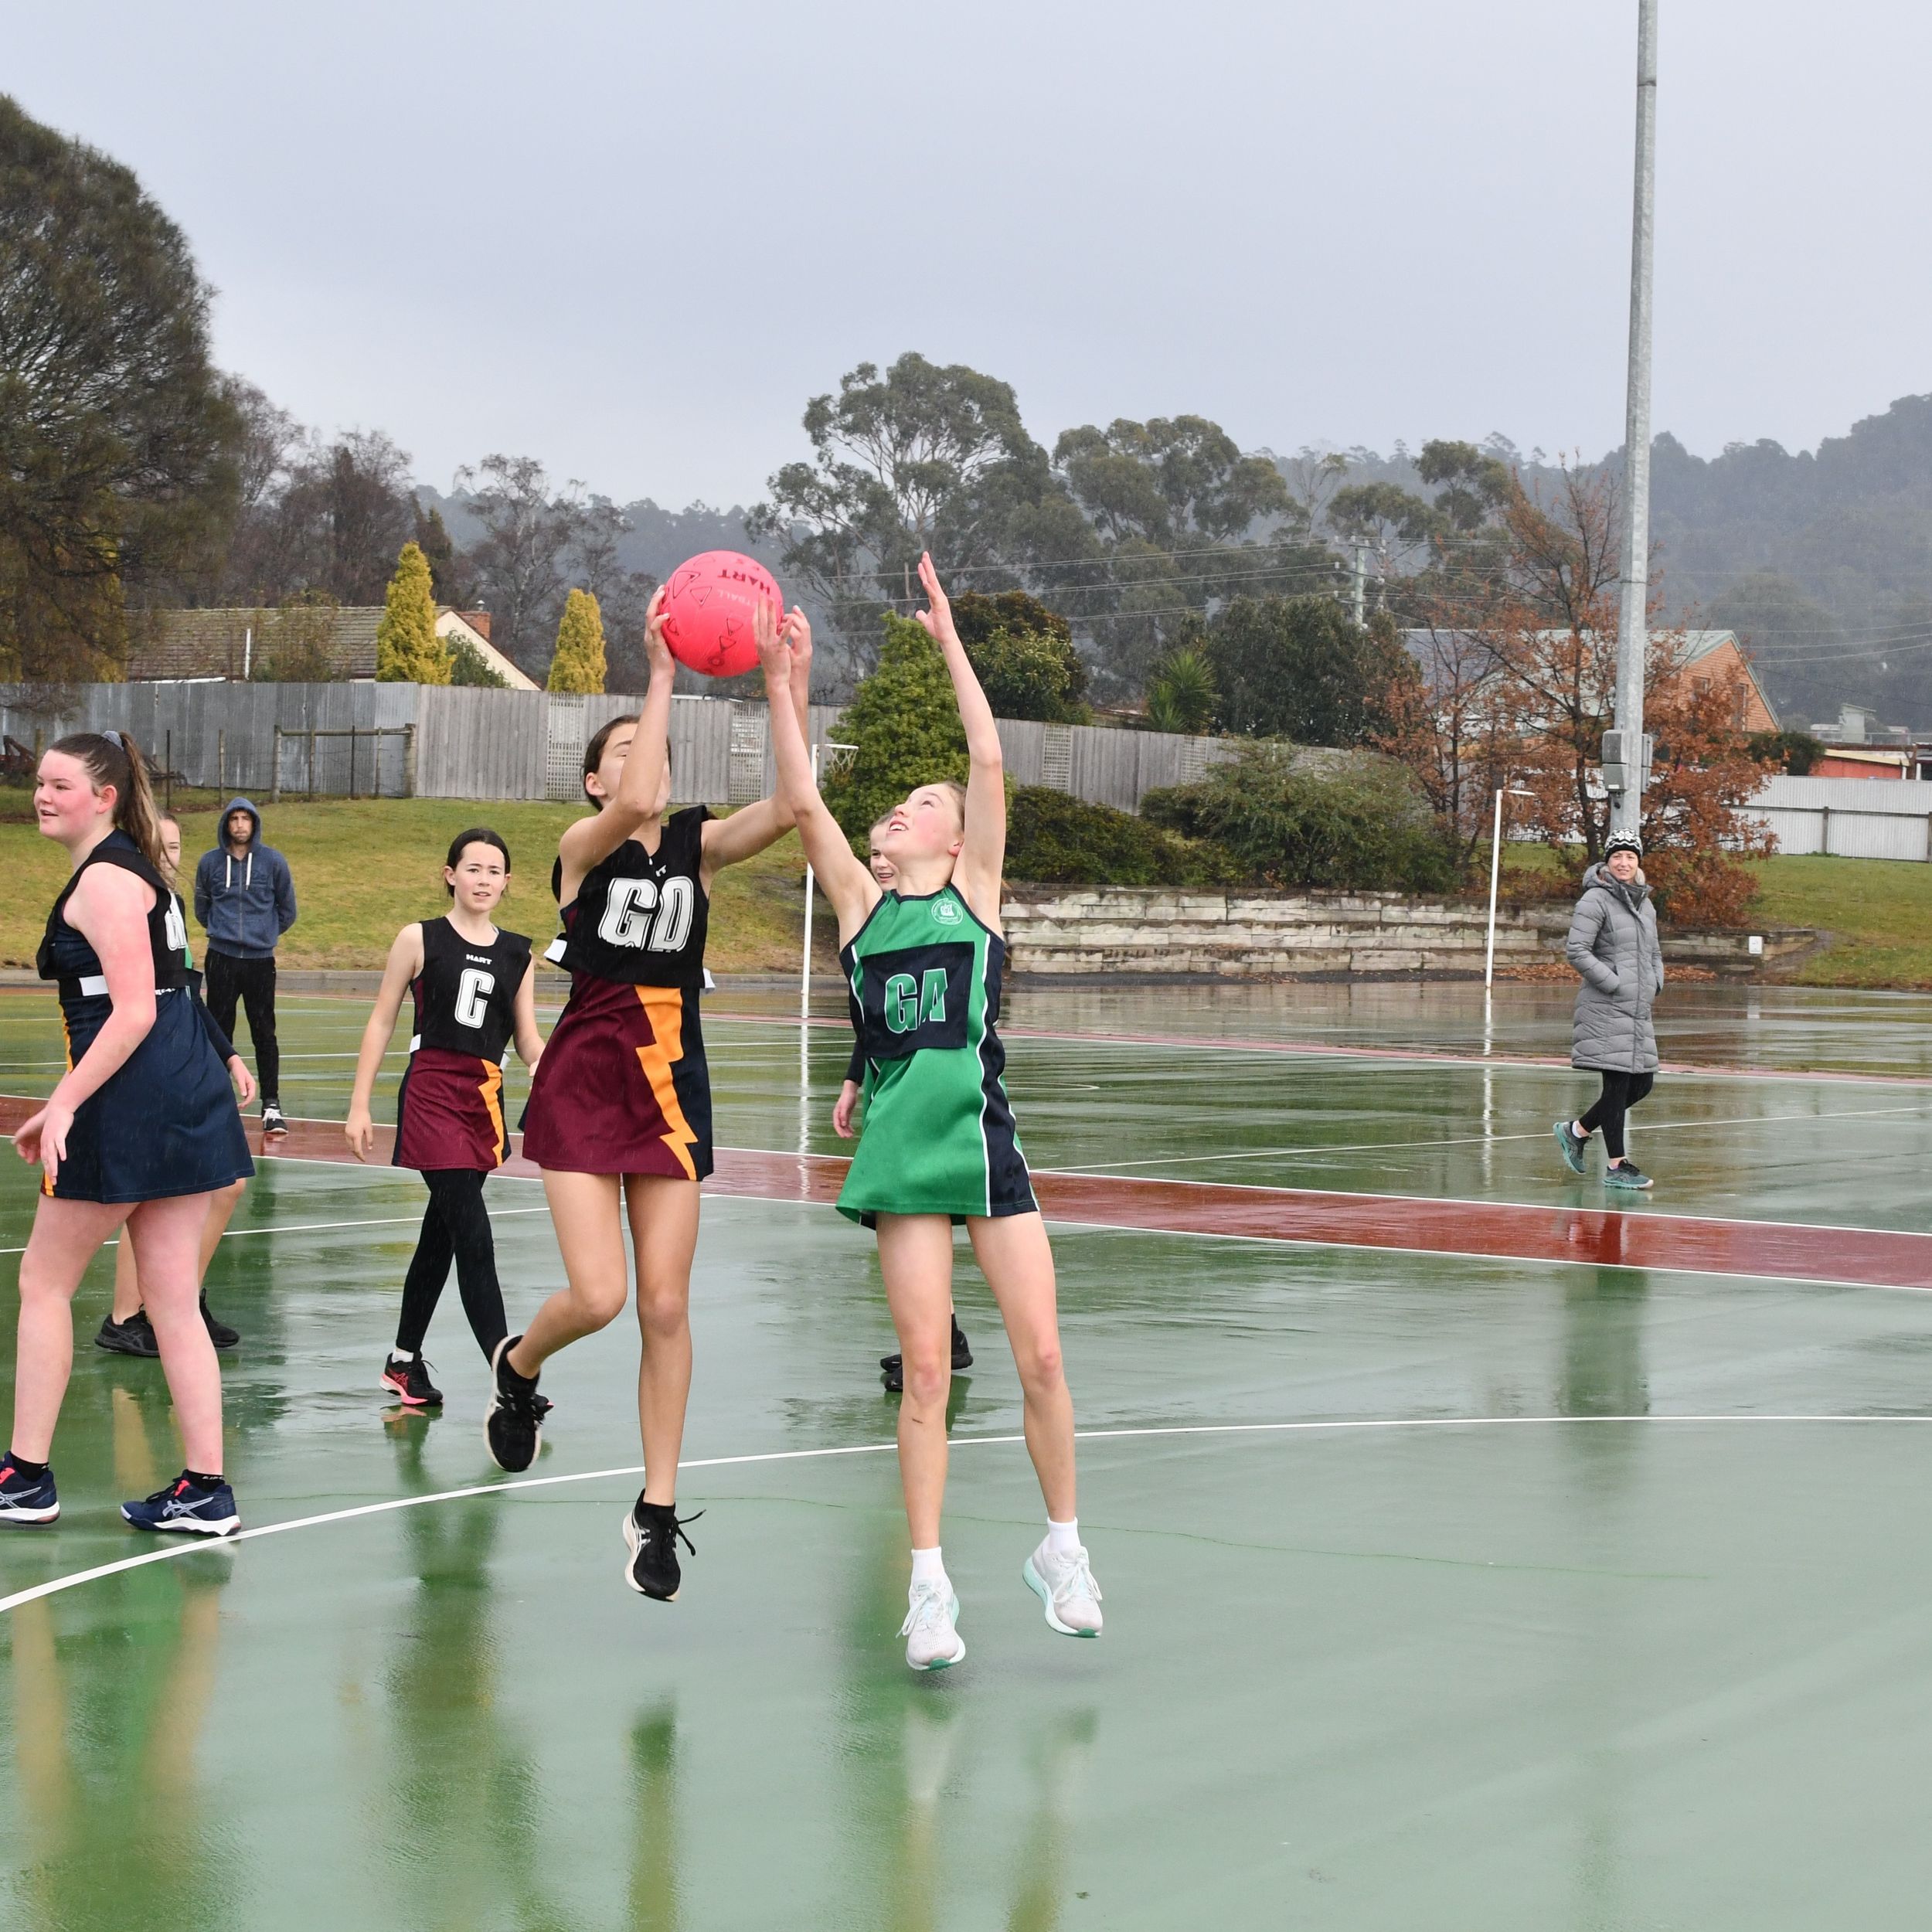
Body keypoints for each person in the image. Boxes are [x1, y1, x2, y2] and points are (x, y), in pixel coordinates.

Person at [760, 552, 1102, 1672]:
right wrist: (782, 684)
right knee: (923, 1374)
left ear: (956, 840)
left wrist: (951, 636)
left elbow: (987, 755)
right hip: (903, 1160)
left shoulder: (975, 895)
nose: (905, 809)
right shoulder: (862, 910)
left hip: (985, 1147)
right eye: (901, 803)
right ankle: (927, 1586)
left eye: (927, 804)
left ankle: (1062, 1549)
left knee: (1041, 1356)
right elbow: (802, 799)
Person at [485, 586, 814, 1605]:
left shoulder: (697, 849)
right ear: (594, 780)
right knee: (601, 1296)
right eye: (622, 750)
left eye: (654, 749)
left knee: (666, 1305)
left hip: (670, 1086)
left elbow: (795, 807)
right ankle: (518, 1367)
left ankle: (656, 1509)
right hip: (584, 1083)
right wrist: (663, 670)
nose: (642, 763)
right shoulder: (581, 849)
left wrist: (784, 683)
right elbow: (631, 809)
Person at [0, 731, 254, 1534]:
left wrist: (67, 1103)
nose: (43, 796)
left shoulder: (108, 881)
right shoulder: (142, 874)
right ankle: (206, 1488)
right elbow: (166, 997)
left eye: (60, 785)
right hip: (180, 1096)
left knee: (44, 1283)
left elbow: (136, 1011)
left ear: (104, 798)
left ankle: (25, 1478)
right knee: (172, 1301)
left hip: (130, 1104)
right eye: (41, 782)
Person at [344, 828, 543, 1409]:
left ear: (507, 882)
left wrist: (551, 1068)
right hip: (432, 1094)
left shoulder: (519, 954)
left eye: (494, 871)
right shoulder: (419, 938)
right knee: (474, 1236)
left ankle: (403, 1361)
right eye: (473, 868)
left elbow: (527, 1039)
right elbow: (382, 1020)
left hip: (483, 1100)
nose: (484, 879)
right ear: (450, 875)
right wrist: (359, 1103)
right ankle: (511, 1377)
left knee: (441, 1235)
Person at [96, 813, 251, 1358]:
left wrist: (229, 1055)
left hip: (186, 1054)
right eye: (158, 845)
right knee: (151, 1191)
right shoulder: (124, 901)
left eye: (177, 846)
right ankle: (125, 1316)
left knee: (226, 1184)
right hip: (146, 1059)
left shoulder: (173, 906)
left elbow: (184, 994)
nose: (168, 855)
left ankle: (181, 1299)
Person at [837, 813, 974, 1396]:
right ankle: (938, 1334)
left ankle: (941, 1337)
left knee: (916, 1210)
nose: (880, 862)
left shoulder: (946, 909)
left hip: (940, 1099)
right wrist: (853, 1079)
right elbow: (877, 1020)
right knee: (906, 1218)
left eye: (886, 852)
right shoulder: (876, 919)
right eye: (872, 855)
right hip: (890, 1087)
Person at [1553, 832, 1665, 1191]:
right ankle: (1617, 1165)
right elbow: (1577, 950)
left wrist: (1655, 981)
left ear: (1638, 862)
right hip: (1606, 1006)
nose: (1624, 862)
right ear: (1608, 861)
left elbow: (1654, 952)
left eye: (1630, 856)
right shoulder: (1595, 899)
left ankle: (1577, 1131)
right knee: (1617, 1084)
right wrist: (1615, 983)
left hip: (1637, 1009)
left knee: (1642, 1083)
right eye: (1617, 856)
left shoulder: (1645, 904)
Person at [195, 796, 298, 1137]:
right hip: (221, 959)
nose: (240, 825)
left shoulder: (273, 862)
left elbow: (288, 910)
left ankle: (271, 1106)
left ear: (254, 823)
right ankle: (216, 1102)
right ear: (226, 823)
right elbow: (202, 908)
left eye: (245, 819)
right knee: (218, 1031)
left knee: (264, 1031)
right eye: (234, 819)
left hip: (260, 962)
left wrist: (263, 934)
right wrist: (223, 933)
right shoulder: (210, 863)